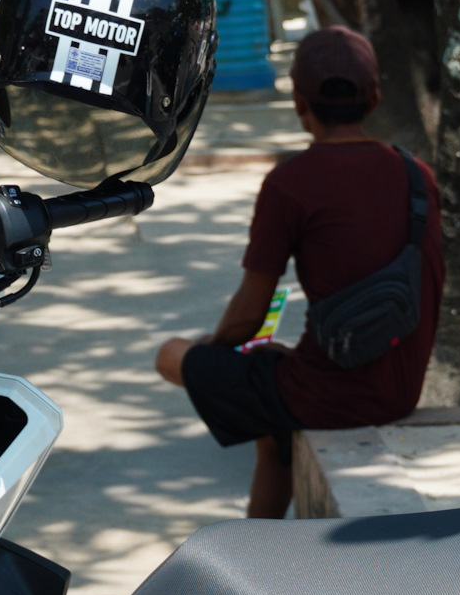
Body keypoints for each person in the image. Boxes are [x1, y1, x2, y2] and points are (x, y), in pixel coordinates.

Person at [155, 27, 444, 519]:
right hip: (399, 390)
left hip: (327, 395)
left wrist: (215, 348)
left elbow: (248, 315)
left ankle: (256, 546)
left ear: (298, 102)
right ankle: (259, 537)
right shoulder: (418, 175)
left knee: (171, 355)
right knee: (273, 429)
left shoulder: (289, 184)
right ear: (374, 98)